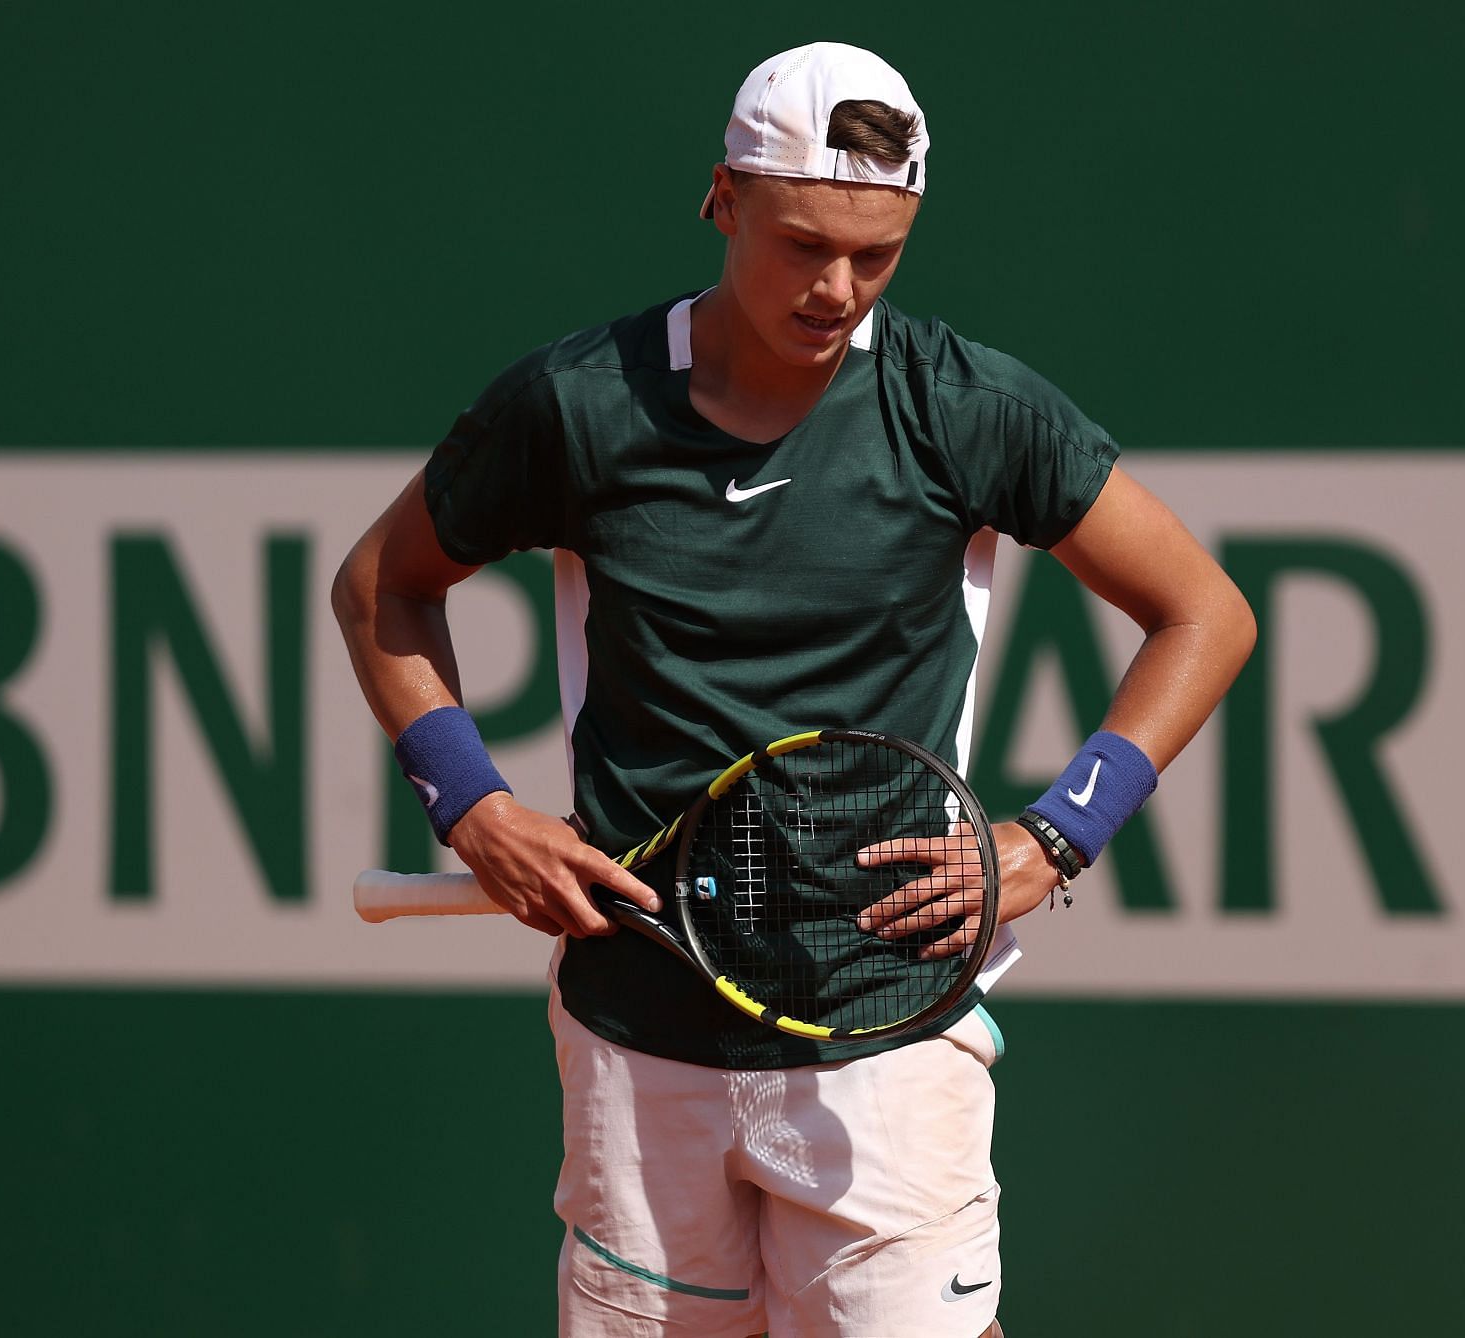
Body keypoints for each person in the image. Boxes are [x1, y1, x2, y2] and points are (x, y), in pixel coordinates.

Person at [332, 40, 1255, 1338]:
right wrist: (473, 804)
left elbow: (1205, 613)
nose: (836, 287)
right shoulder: (579, 406)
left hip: (891, 1030)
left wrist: (1060, 831)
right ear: (724, 201)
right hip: (638, 1041)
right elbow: (382, 584)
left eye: (875, 255)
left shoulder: (966, 407)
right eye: (804, 244)